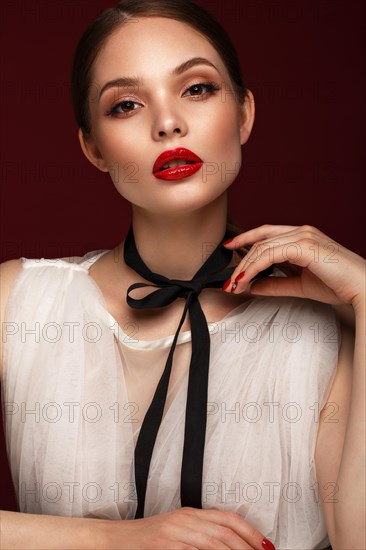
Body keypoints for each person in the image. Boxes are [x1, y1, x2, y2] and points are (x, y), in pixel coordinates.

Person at [0, 0, 365, 548]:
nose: (167, 122)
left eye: (197, 88)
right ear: (92, 147)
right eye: (125, 104)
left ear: (244, 114)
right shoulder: (18, 303)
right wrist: (120, 541)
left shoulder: (325, 330)